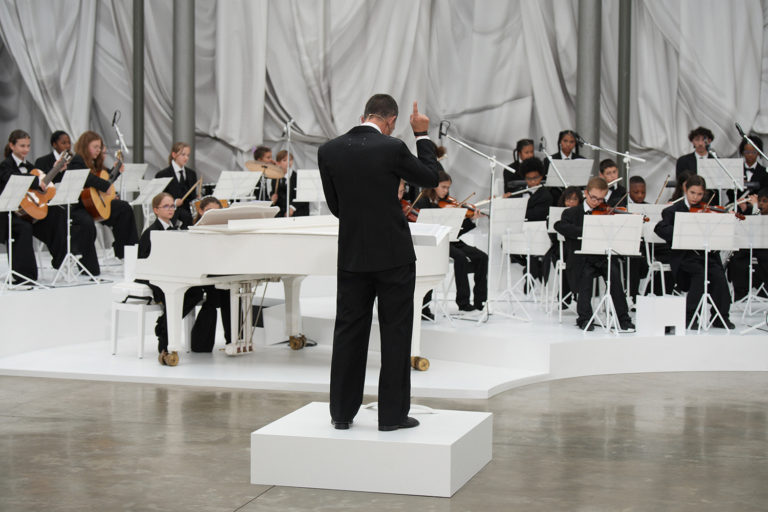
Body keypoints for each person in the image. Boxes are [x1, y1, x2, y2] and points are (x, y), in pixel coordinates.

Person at [318, 94, 440, 432]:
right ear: (391, 121)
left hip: (352, 255)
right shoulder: (392, 147)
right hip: (393, 256)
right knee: (395, 332)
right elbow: (431, 177)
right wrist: (422, 134)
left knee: (348, 332)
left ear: (364, 116)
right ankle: (391, 416)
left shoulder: (329, 150)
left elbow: (336, 206)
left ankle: (341, 413)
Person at [137, 193, 219, 362]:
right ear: (156, 210)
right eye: (166, 206)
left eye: (172, 206)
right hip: (153, 278)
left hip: (172, 275)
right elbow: (144, 262)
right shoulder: (150, 232)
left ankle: (163, 325)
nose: (171, 209)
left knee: (195, 292)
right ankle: (165, 341)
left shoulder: (176, 230)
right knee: (178, 295)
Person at [554, 176, 635, 331]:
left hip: (601, 256)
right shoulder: (571, 213)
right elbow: (560, 226)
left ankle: (623, 318)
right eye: (594, 198)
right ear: (586, 193)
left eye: (601, 199)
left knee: (614, 274)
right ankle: (584, 318)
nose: (597, 202)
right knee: (585, 277)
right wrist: (589, 229)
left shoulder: (606, 213)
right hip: (581, 258)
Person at [654, 175, 733, 329]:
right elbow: (660, 229)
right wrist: (684, 228)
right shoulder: (673, 210)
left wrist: (725, 219)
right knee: (700, 274)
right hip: (684, 256)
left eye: (700, 194)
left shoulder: (707, 210)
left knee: (719, 275)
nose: (696, 198)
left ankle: (720, 317)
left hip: (705, 255)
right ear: (685, 189)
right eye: (692, 193)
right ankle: (690, 317)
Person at [414, 168, 488, 312]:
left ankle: (480, 301)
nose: (446, 191)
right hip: (436, 243)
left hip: (452, 240)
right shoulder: (423, 202)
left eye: (448, 187)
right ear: (434, 185)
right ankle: (463, 302)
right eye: (443, 187)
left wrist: (471, 219)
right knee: (460, 258)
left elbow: (458, 231)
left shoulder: (447, 202)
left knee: (482, 257)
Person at [0, 129, 67, 282]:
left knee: (57, 214)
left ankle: (61, 260)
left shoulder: (30, 167)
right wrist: (37, 182)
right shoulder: (5, 166)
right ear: (12, 146)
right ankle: (24, 276)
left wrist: (56, 170)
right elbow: (14, 178)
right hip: (9, 214)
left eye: (28, 146)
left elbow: (43, 187)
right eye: (22, 146)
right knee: (24, 227)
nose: (26, 149)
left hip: (28, 212)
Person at [33, 130, 101, 276]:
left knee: (87, 222)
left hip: (71, 203)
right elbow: (41, 186)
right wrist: (56, 169)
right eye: (63, 143)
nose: (67, 146)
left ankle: (88, 265)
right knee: (60, 221)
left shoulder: (75, 160)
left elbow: (82, 179)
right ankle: (64, 257)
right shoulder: (41, 161)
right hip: (52, 206)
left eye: (69, 143)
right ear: (54, 144)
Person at [73, 131, 139, 260]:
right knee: (87, 223)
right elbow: (89, 178)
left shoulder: (95, 162)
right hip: (83, 205)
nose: (98, 150)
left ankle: (128, 252)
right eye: (95, 147)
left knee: (124, 208)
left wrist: (116, 171)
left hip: (97, 204)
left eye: (100, 147)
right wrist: (106, 187)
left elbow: (107, 179)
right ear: (85, 146)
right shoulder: (77, 160)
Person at [727, 187, 768, 300]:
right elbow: (748, 227)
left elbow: (760, 222)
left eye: (764, 201)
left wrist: (755, 206)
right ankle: (740, 294)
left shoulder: (758, 211)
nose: (761, 204)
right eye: (759, 201)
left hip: (765, 249)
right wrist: (744, 209)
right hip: (753, 247)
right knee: (737, 258)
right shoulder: (757, 212)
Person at [156, 142, 199, 228]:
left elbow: (192, 196)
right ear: (174, 155)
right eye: (183, 155)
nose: (186, 158)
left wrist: (196, 199)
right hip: (172, 211)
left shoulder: (191, 174)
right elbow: (160, 198)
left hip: (189, 211)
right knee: (185, 217)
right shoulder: (162, 175)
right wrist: (174, 202)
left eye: (188, 155)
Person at [270, 150, 309, 217]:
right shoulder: (275, 178)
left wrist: (292, 208)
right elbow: (274, 193)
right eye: (284, 160)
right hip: (281, 213)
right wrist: (272, 198)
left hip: (296, 212)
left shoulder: (297, 177)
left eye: (290, 160)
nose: (288, 162)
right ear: (278, 163)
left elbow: (304, 196)